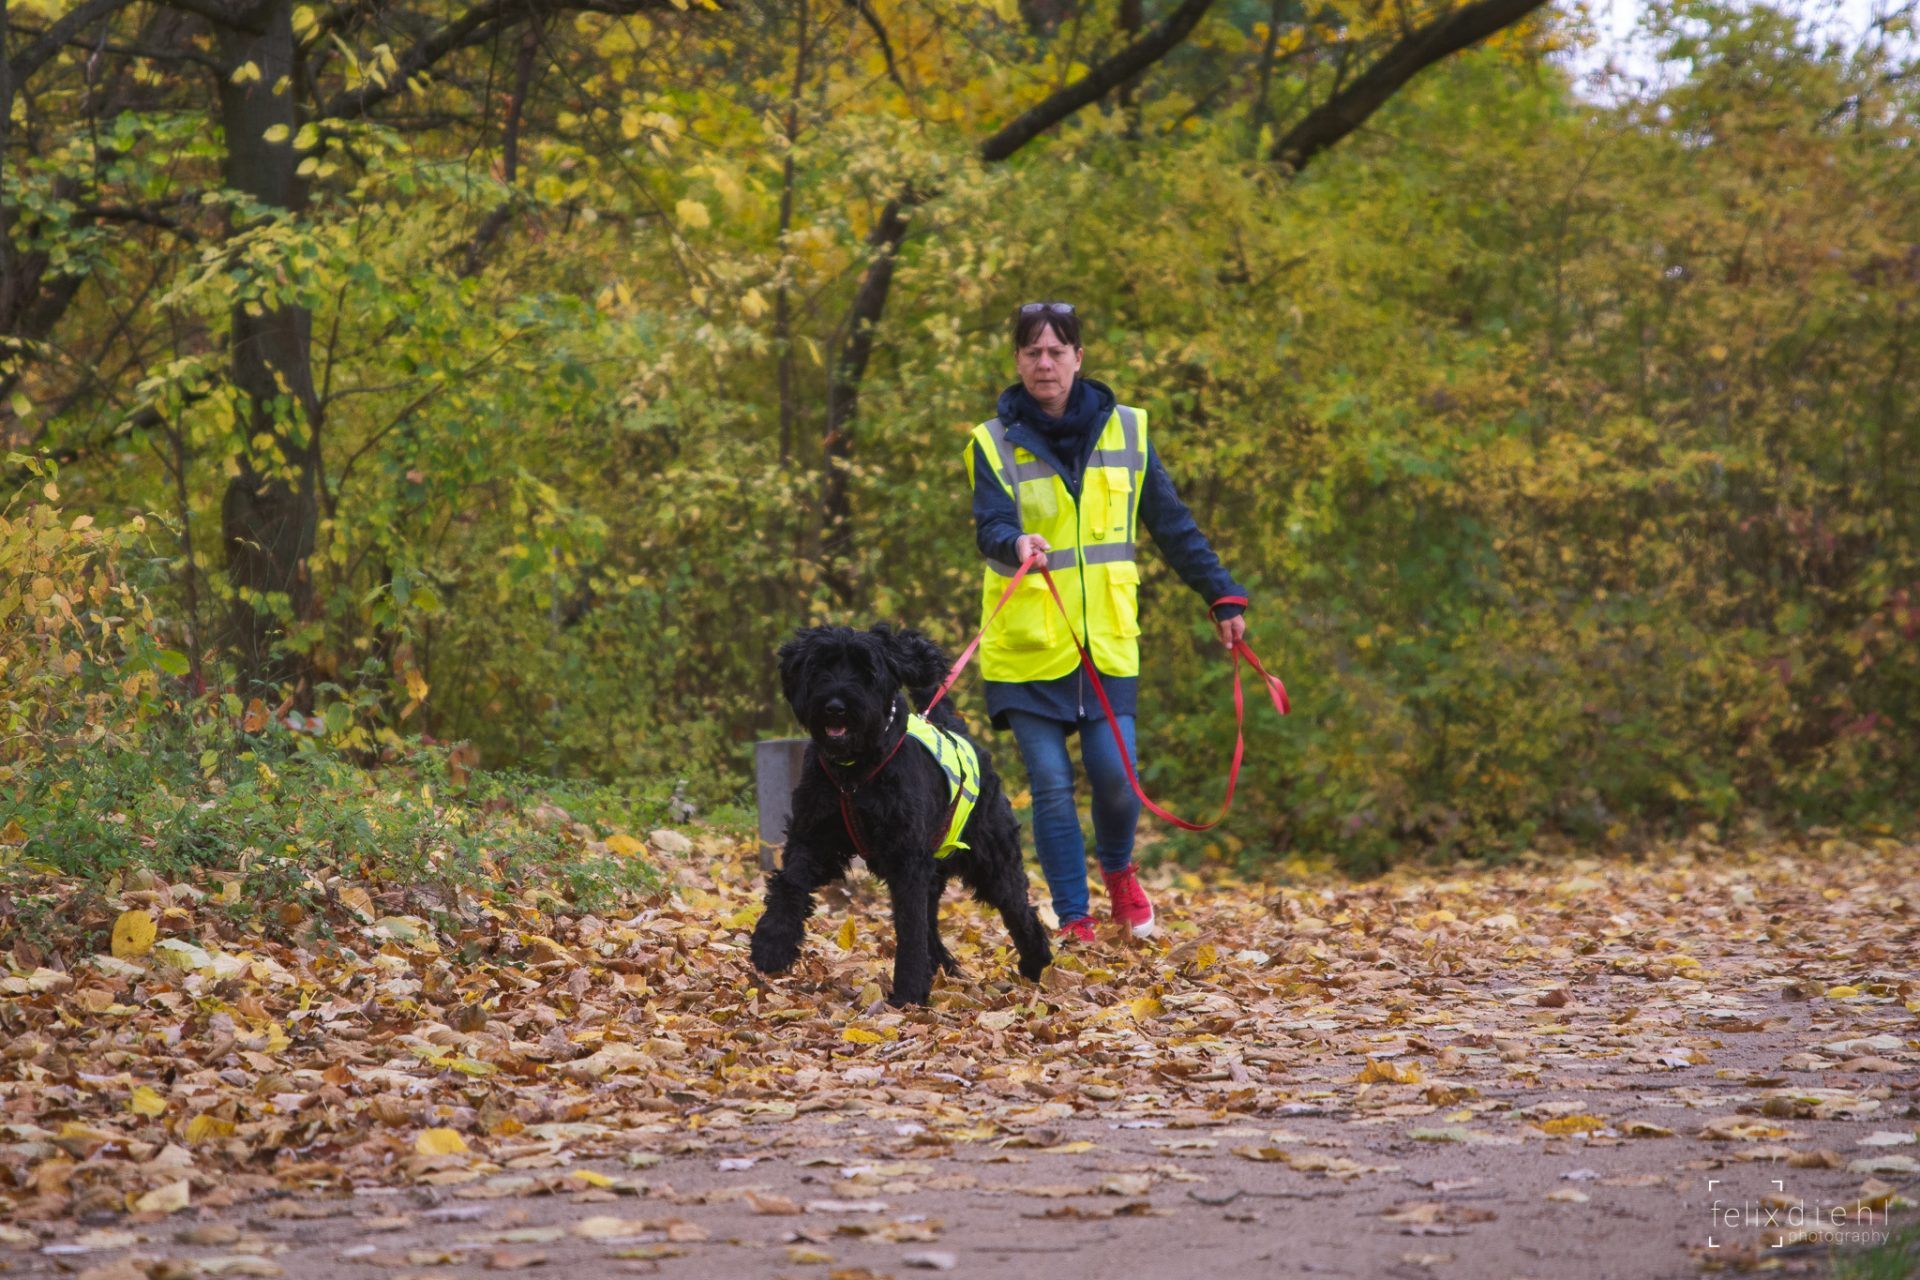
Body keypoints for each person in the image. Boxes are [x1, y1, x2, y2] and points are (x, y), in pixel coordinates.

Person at [965, 301, 1248, 944]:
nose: (1045, 364)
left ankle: (1119, 874)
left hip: (1107, 643)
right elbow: (990, 526)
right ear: (1017, 360)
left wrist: (1222, 595)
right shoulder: (991, 441)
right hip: (1029, 644)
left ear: (1078, 358)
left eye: (1056, 351)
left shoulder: (1128, 431)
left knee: (1117, 782)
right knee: (1053, 787)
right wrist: (1014, 545)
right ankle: (1074, 919)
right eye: (1032, 352)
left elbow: (1172, 527)